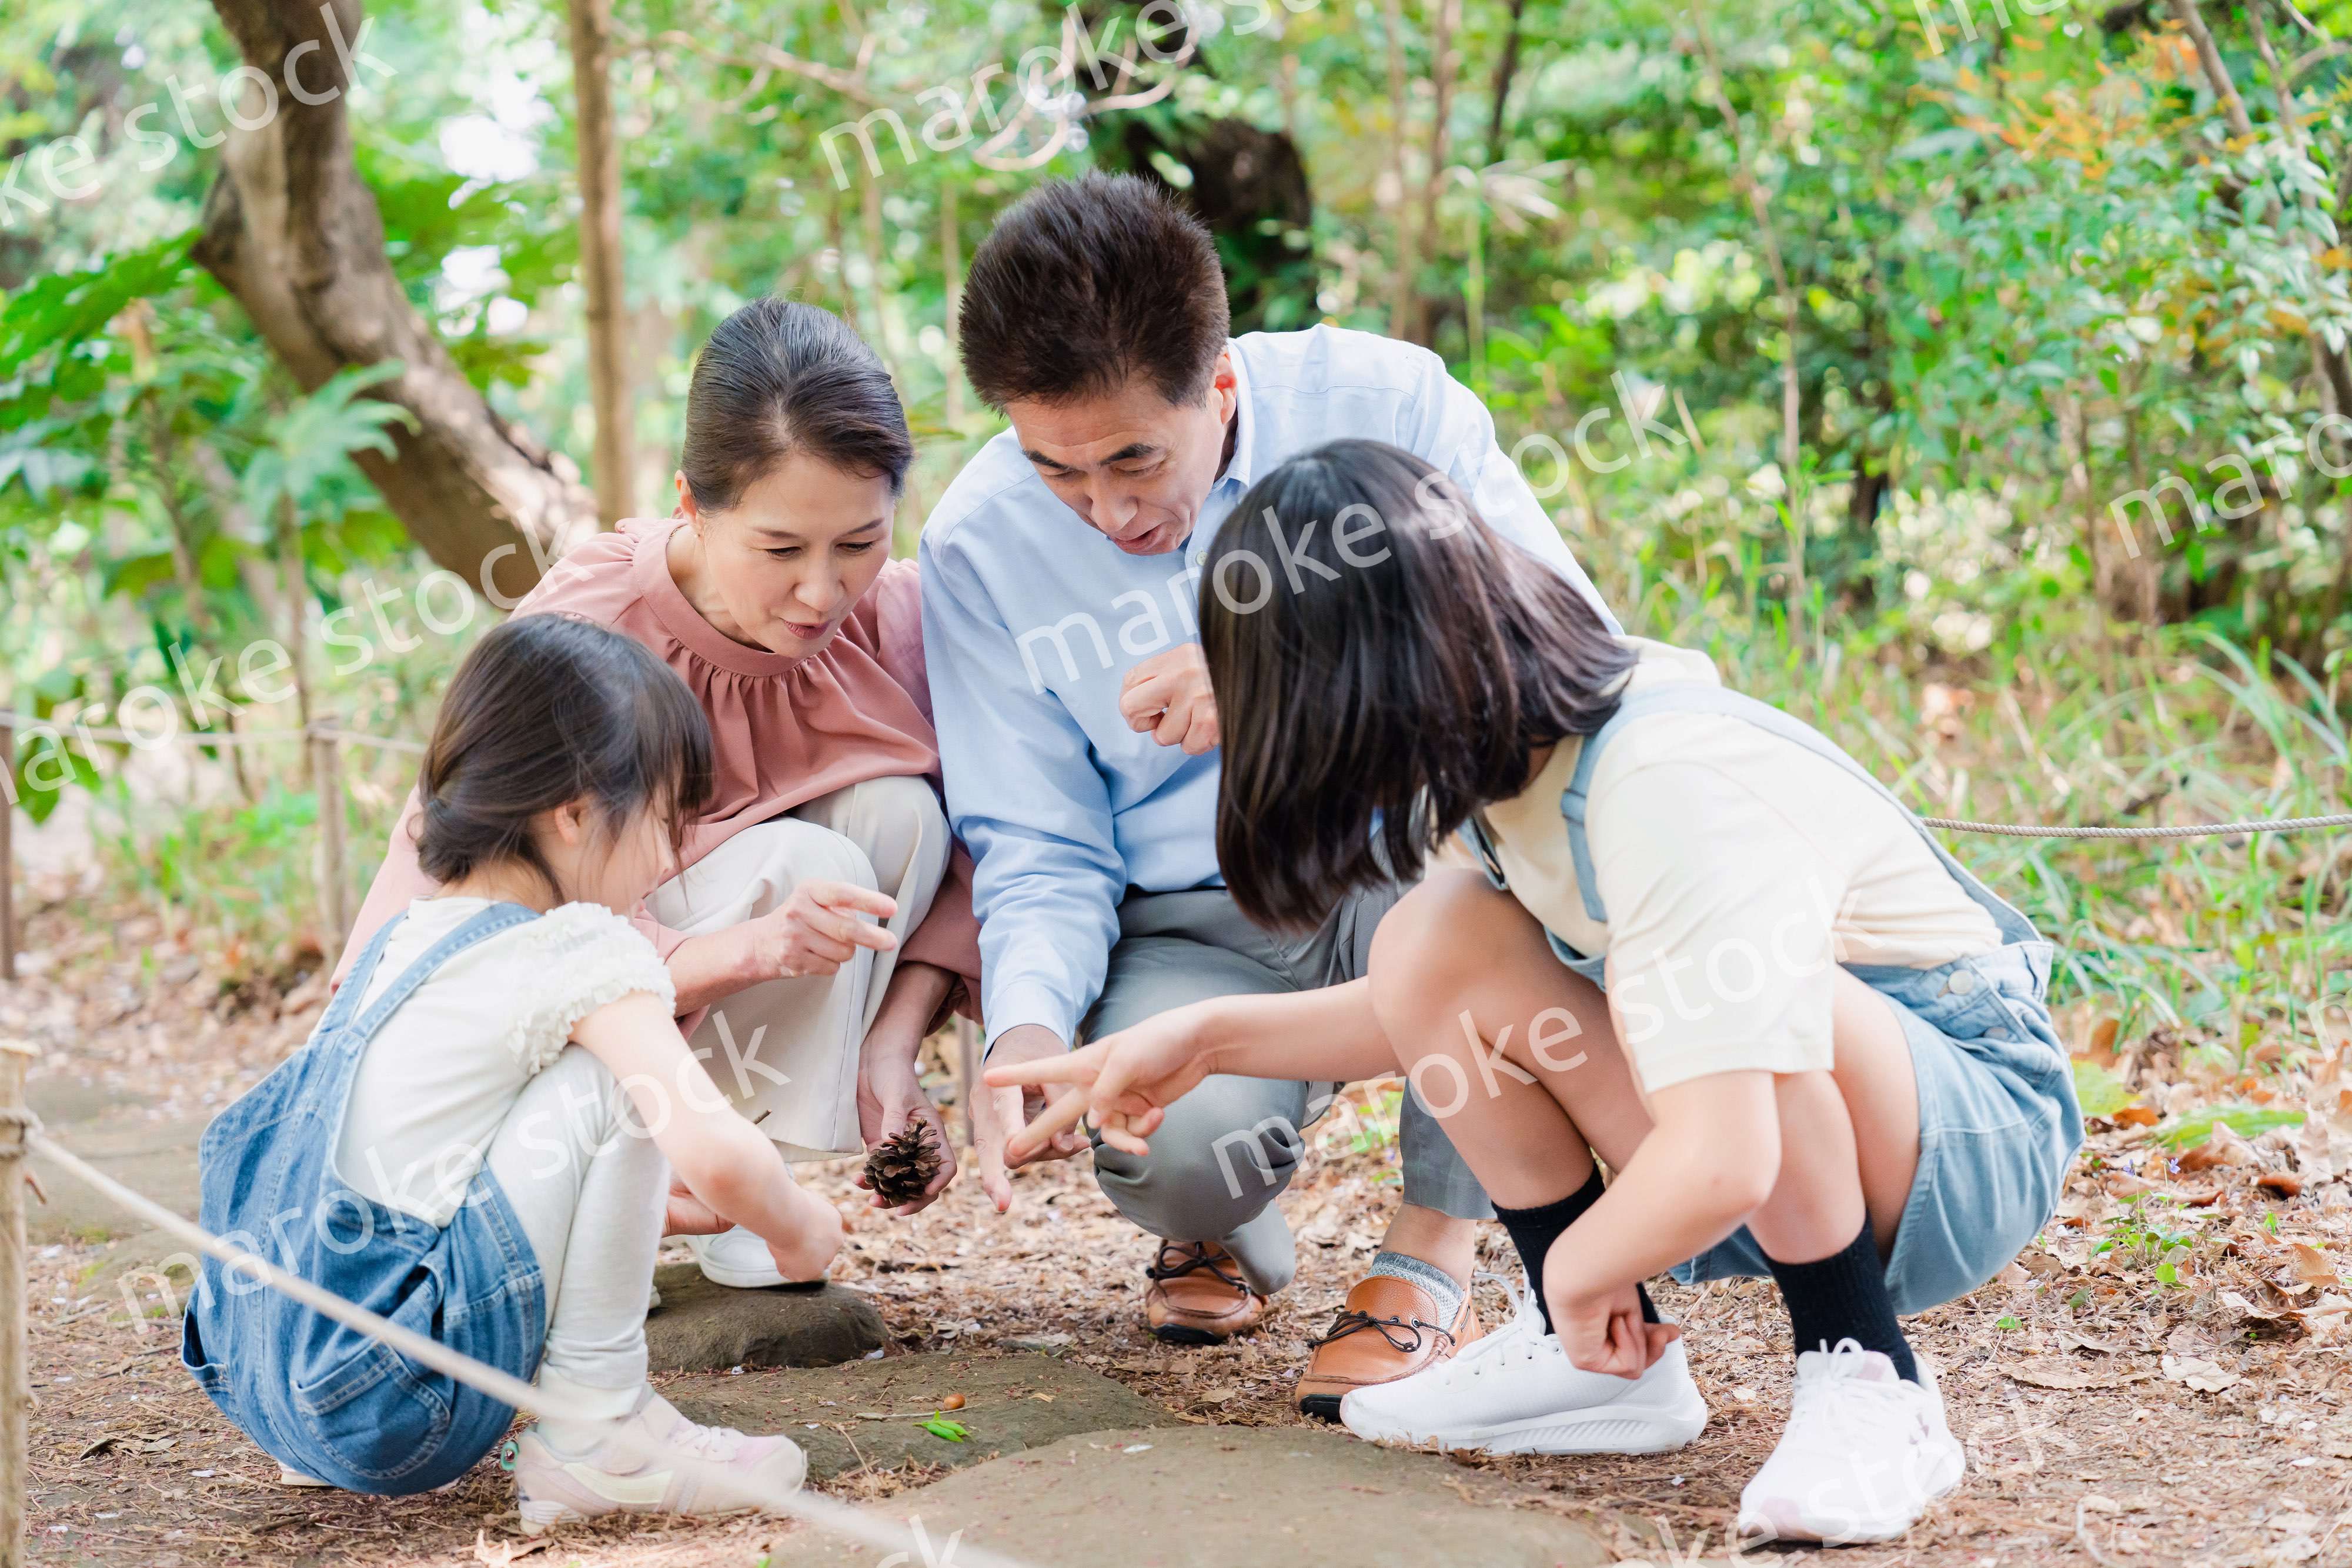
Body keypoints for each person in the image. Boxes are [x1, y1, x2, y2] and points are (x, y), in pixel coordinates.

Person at [991, 441, 2082, 1544]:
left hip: (1965, 1131)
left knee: (1751, 989)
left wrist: (1582, 1270)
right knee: (1437, 934)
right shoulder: (1495, 765)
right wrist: (1207, 1039)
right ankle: (1607, 1376)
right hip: (1789, 1127)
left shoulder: (1660, 781)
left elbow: (1729, 1154)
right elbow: (1424, 1010)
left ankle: (1865, 1374)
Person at [919, 172, 1616, 1406]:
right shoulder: (975, 544)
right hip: (1192, 912)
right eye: (1056, 471)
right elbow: (1037, 839)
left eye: (1135, 456)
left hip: (1407, 858)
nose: (1107, 508)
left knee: (1506, 899)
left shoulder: (1387, 404)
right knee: (1172, 1153)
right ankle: (1222, 1216)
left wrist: (1279, 671)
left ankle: (1431, 1245)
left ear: (1220, 386)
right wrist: (1027, 1030)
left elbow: (1560, 661)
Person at [339, 300, 988, 1293]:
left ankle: (750, 1193)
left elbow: (982, 853)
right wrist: (741, 946)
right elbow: (489, 891)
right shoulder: (599, 623)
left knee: (901, 811)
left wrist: (894, 1044)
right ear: (692, 504)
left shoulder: (893, 621)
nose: (822, 592)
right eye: (780, 551)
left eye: (857, 543)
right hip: (565, 983)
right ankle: (609, 1187)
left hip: (717, 983)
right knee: (811, 864)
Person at [185, 616, 843, 1527]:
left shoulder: (401, 942)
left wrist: (639, 1208)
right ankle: (602, 1436)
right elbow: (717, 1150)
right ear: (574, 814)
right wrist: (800, 1226)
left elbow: (431, 1166)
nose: (668, 857)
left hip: (268, 1377)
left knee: (585, 1074)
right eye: (661, 819)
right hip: (390, 1400)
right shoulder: (579, 951)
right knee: (620, 1079)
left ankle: (552, 1434)